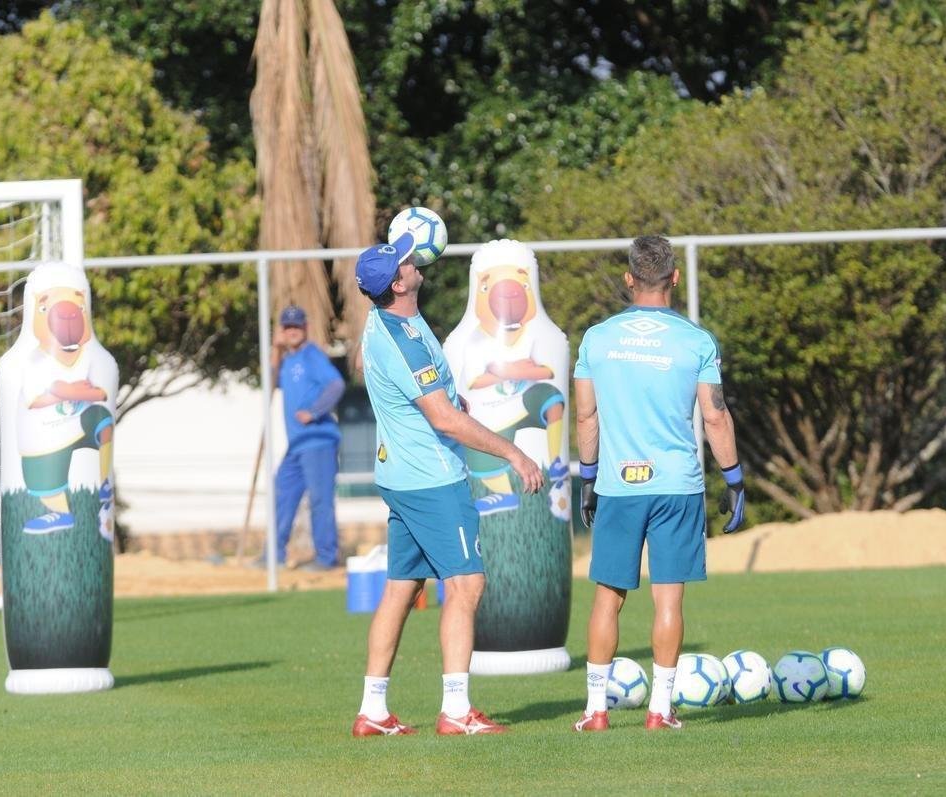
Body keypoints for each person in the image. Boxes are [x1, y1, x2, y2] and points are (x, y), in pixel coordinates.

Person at [350, 233, 544, 737]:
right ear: (398, 284)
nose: (414, 259)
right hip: (433, 479)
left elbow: (376, 369)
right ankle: (456, 711)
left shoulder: (383, 320)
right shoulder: (403, 339)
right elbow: (443, 420)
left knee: (401, 588)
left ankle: (373, 711)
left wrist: (445, 396)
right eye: (404, 261)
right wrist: (513, 452)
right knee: (465, 584)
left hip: (400, 476)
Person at [570, 235, 745, 733]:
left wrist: (589, 477)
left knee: (608, 597)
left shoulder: (597, 338)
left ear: (629, 279)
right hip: (676, 486)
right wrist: (734, 480)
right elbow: (715, 417)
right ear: (674, 277)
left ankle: (595, 712)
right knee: (668, 599)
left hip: (618, 485)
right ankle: (660, 711)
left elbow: (586, 416)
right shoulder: (696, 340)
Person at [258, 304, 345, 571]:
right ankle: (273, 556)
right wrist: (275, 350)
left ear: (305, 328)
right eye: (288, 327)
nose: (292, 331)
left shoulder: (312, 356)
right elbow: (271, 384)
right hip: (296, 445)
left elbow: (336, 384)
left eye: (296, 326)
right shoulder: (287, 360)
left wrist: (314, 412)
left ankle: (326, 558)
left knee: (320, 501)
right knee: (282, 494)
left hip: (318, 441)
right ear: (282, 331)